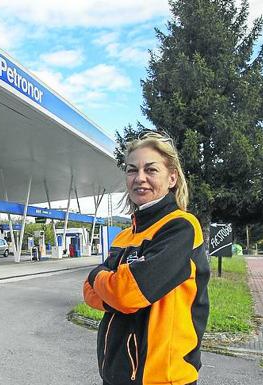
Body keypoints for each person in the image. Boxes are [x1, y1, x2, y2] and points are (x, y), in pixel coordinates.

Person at [83, 131, 209, 385]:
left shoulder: (181, 228)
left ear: (172, 177)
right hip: (116, 375)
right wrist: (116, 292)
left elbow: (127, 293)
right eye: (132, 170)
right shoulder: (123, 237)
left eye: (151, 170)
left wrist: (98, 275)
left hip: (163, 378)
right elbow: (90, 295)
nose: (140, 178)